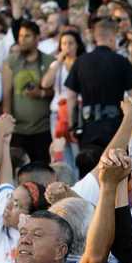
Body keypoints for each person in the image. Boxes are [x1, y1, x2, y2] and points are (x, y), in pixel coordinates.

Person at [65, 19, 132, 150]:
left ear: (95, 37)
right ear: (112, 37)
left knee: (89, 167)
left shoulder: (80, 62)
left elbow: (71, 97)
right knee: (114, 167)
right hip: (116, 129)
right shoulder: (122, 62)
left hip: (88, 127)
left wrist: (72, 125)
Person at [2, 20, 54, 165]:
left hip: (42, 128)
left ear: (37, 38)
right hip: (17, 130)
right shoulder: (10, 61)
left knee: (43, 168)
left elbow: (56, 92)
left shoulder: (50, 61)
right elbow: (6, 95)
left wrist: (42, 93)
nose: (22, 40)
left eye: (27, 36)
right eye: (20, 36)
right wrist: (6, 125)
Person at [41, 30, 85, 173]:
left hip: (77, 111)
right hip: (58, 112)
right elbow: (45, 83)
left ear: (77, 45)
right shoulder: (57, 64)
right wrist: (58, 62)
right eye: (64, 43)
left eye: (71, 43)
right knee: (61, 150)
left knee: (77, 150)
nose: (67, 47)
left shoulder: (82, 62)